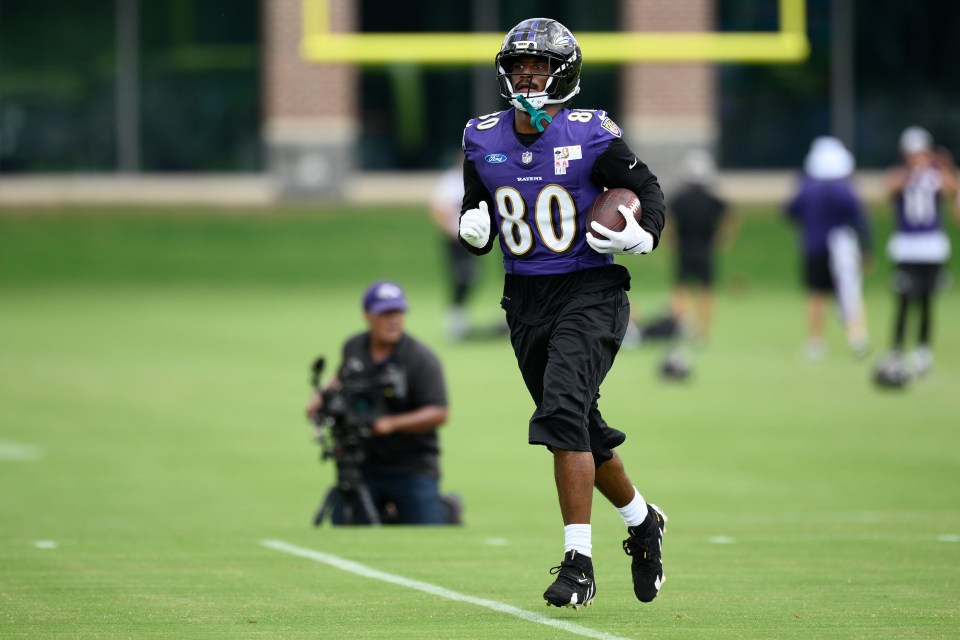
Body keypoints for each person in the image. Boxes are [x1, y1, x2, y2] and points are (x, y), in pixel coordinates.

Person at [458, 18, 667, 609]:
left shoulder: (592, 132)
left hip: (591, 290)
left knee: (561, 416)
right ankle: (643, 520)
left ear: (563, 73)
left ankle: (579, 564)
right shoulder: (479, 135)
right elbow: (478, 209)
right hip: (524, 300)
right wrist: (472, 230)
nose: (529, 75)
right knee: (579, 430)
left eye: (540, 66)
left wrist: (643, 236)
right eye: (521, 66)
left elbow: (647, 191)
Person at [305, 280, 460, 525]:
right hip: (364, 463)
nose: (393, 319)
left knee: (427, 530)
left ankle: (446, 510)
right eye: (385, 313)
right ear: (367, 315)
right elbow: (343, 374)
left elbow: (439, 413)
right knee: (348, 528)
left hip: (412, 467)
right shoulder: (354, 346)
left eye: (398, 312)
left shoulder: (421, 358)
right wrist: (322, 393)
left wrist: (391, 423)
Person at [875, 126, 958, 384]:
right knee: (903, 297)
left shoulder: (936, 175)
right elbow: (887, 190)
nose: (917, 157)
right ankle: (897, 349)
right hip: (906, 246)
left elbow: (952, 191)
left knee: (926, 299)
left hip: (931, 247)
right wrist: (910, 173)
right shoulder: (901, 174)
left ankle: (923, 349)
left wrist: (945, 166)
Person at [786, 136, 873, 361]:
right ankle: (857, 337)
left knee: (817, 294)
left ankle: (816, 343)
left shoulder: (808, 188)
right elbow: (860, 219)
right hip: (842, 246)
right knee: (849, 292)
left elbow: (790, 211)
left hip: (814, 246)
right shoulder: (845, 189)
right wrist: (866, 249)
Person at [660, 149, 737, 378]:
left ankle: (679, 330)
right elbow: (731, 215)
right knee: (706, 290)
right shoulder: (713, 199)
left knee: (680, 289)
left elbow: (666, 219)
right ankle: (701, 334)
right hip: (705, 248)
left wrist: (670, 239)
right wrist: (723, 237)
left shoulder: (678, 198)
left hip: (684, 248)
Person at [430, 156, 479, 341]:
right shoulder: (449, 182)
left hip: (472, 240)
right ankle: (454, 318)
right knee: (461, 276)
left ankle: (459, 316)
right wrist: (451, 231)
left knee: (471, 276)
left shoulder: (476, 179)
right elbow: (439, 209)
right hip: (454, 240)